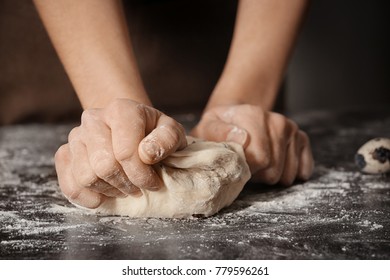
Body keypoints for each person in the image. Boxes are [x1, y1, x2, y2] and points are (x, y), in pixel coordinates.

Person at [33, 0, 314, 209]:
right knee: (111, 153)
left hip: (225, 42)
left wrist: (240, 106)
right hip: (64, 53)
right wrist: (115, 118)